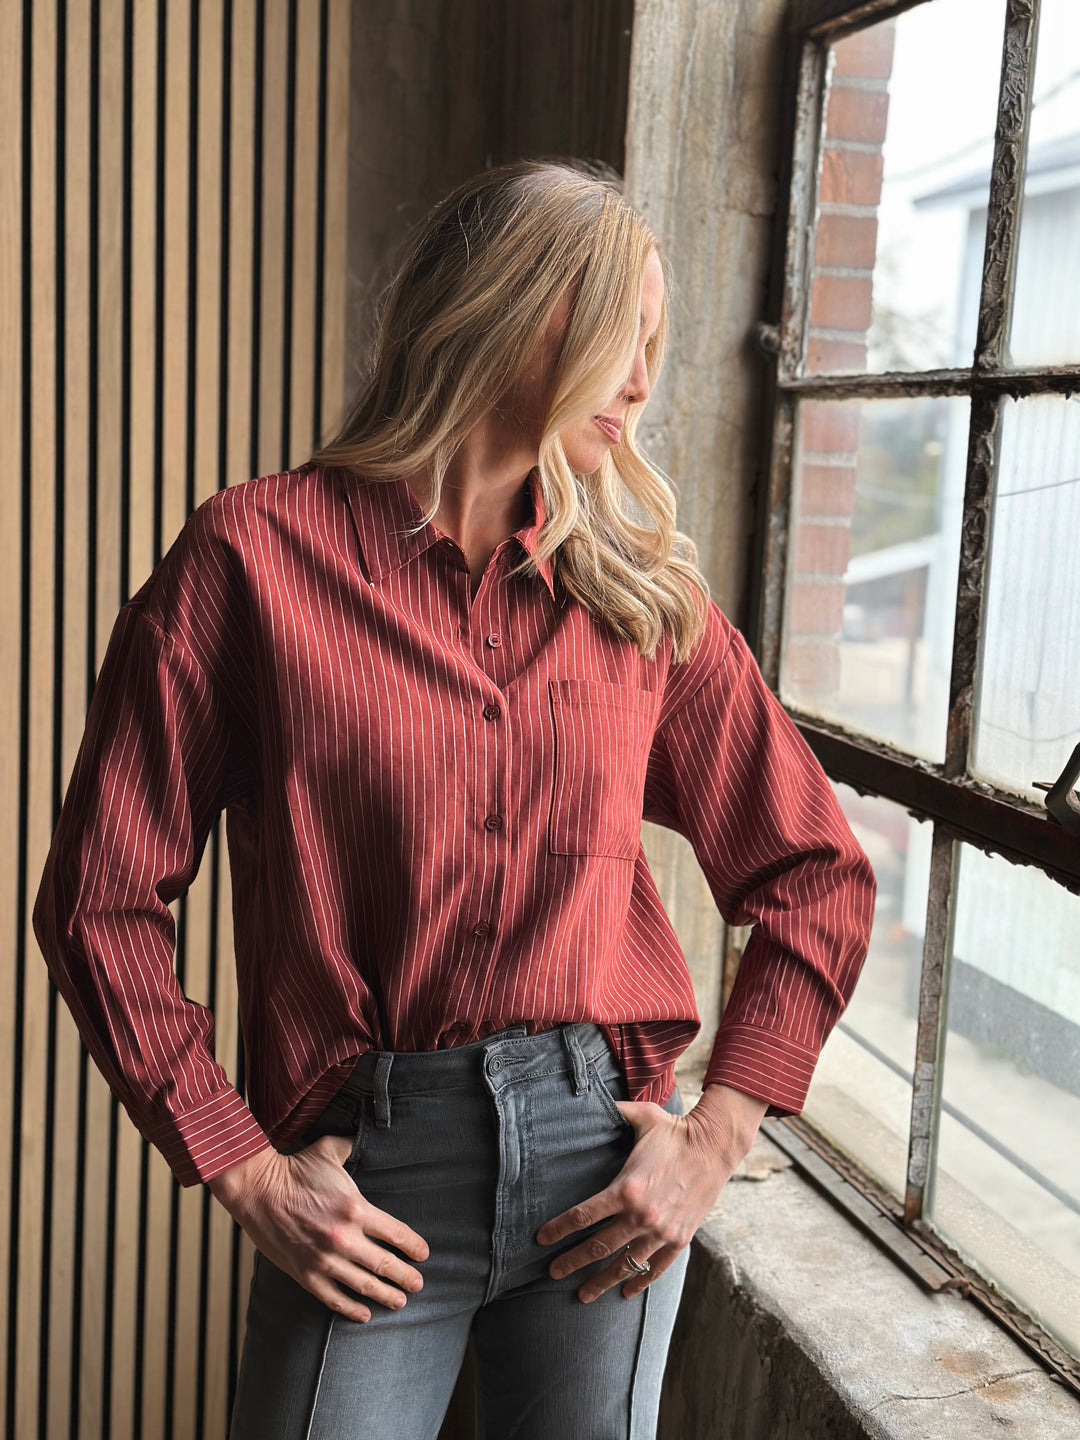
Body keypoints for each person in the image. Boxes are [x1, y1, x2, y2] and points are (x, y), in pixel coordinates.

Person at [34, 159, 876, 1439]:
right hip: (374, 1173)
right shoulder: (251, 562)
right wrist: (242, 1166)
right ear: (521, 312)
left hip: (606, 1170)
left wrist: (711, 1144)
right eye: (625, 339)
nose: (644, 383)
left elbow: (815, 872)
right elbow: (98, 898)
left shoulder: (638, 600)